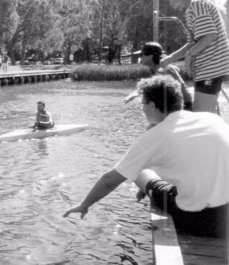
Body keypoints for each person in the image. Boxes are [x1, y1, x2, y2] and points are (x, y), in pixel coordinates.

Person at [63, 75, 228, 238]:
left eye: (143, 103)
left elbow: (109, 180)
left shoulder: (154, 137)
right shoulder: (212, 119)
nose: (142, 109)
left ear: (153, 105)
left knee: (137, 171)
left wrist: (84, 205)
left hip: (204, 222)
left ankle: (146, 188)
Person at [160, 0, 229, 113]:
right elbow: (193, 42)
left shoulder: (196, 4)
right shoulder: (195, 5)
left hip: (210, 69)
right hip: (211, 69)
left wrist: (190, 55)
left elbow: (210, 35)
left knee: (201, 116)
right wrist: (171, 58)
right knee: (209, 116)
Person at [125, 42, 193, 111]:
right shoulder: (157, 69)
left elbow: (150, 85)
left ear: (150, 56)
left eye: (141, 55)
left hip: (186, 106)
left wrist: (136, 93)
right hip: (178, 106)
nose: (140, 57)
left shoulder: (164, 68)